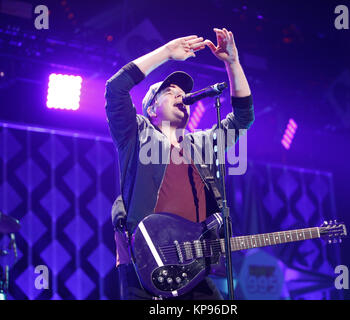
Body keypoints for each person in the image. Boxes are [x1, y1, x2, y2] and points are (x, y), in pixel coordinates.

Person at [105, 28, 254, 300]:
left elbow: (243, 118)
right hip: (146, 268)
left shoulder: (200, 145)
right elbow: (115, 88)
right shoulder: (136, 134)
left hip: (194, 270)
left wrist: (232, 64)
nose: (180, 96)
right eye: (170, 92)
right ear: (151, 109)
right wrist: (166, 53)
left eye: (182, 92)